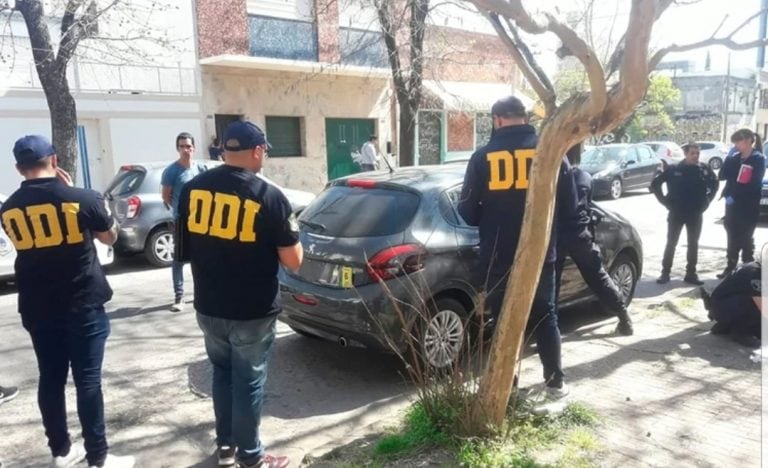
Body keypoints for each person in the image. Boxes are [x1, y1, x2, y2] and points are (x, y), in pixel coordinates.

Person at [0, 136, 133, 468]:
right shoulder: (81, 198)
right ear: (55, 160)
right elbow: (109, 236)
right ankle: (99, 457)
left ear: (18, 168)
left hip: (37, 305)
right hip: (82, 302)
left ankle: (60, 451)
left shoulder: (8, 208)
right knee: (87, 380)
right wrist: (83, 199)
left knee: (51, 378)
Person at [176, 120, 303, 468]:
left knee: (222, 374)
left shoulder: (192, 190)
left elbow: (183, 250)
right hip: (252, 309)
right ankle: (252, 458)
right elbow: (293, 261)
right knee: (248, 381)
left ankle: (226, 448)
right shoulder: (268, 195)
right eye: (265, 152)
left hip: (209, 305)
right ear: (258, 150)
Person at [457, 96, 578, 399]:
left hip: (497, 254)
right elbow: (571, 207)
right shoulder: (550, 151)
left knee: (502, 320)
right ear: (525, 118)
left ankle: (505, 389)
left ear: (497, 120)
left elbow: (468, 213)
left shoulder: (482, 157)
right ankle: (555, 383)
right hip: (541, 253)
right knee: (546, 315)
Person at [558, 144, 633, 336]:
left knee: (551, 281)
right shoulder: (584, 177)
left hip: (557, 235)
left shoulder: (554, 175)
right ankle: (623, 316)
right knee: (598, 277)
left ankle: (550, 328)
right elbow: (588, 206)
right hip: (580, 234)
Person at [651, 142, 719, 285]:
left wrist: (708, 201)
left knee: (693, 243)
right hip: (677, 211)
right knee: (671, 242)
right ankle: (665, 272)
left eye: (697, 153)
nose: (695, 156)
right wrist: (665, 202)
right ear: (685, 154)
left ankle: (691, 273)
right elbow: (655, 184)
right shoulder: (674, 169)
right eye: (692, 153)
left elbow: (715, 183)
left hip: (695, 212)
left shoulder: (703, 168)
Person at [161, 133, 206, 312]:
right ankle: (179, 296)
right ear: (178, 149)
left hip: (200, 221)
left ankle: (200, 293)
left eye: (188, 146)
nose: (185, 150)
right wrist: (180, 210)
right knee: (179, 259)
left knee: (200, 257)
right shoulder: (172, 171)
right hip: (181, 220)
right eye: (182, 146)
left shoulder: (200, 168)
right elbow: (166, 195)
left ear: (193, 148)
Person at [717, 129, 766, 278]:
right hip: (732, 205)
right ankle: (730, 265)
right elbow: (722, 176)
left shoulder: (757, 159)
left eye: (738, 141)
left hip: (748, 204)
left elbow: (754, 183)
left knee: (746, 236)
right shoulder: (734, 158)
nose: (736, 145)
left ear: (747, 141)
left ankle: (747, 267)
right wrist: (728, 160)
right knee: (731, 234)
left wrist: (736, 195)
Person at [701, 261, 762, 348]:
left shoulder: (757, 267)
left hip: (725, 303)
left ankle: (726, 326)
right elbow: (763, 308)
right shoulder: (755, 274)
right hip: (723, 307)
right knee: (753, 305)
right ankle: (741, 333)